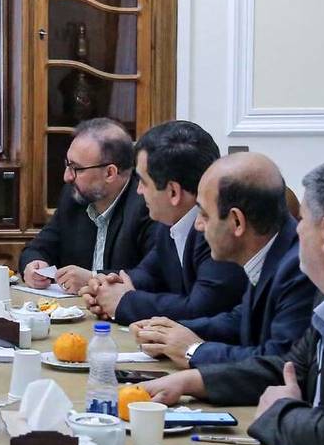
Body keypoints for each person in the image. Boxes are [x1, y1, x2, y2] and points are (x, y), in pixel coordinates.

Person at [141, 158, 324, 445]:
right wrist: (192, 381)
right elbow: (286, 367)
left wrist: (278, 411)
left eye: (303, 221)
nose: (296, 230)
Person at [131, 152, 314, 368]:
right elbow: (242, 320)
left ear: (237, 222)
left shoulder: (300, 268)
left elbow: (280, 361)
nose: (198, 225)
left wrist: (193, 350)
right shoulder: (274, 249)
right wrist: (169, 332)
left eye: (205, 215)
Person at [84, 120, 248, 324]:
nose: (139, 191)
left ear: (173, 192)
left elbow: (202, 309)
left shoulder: (219, 230)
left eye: (143, 182)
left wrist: (124, 302)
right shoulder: (169, 222)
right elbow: (149, 274)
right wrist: (106, 287)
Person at [19, 118, 155, 294]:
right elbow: (37, 248)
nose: (67, 177)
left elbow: (152, 277)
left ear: (110, 173)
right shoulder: (73, 197)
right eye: (67, 165)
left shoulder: (147, 206)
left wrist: (93, 278)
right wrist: (33, 265)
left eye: (77, 168)